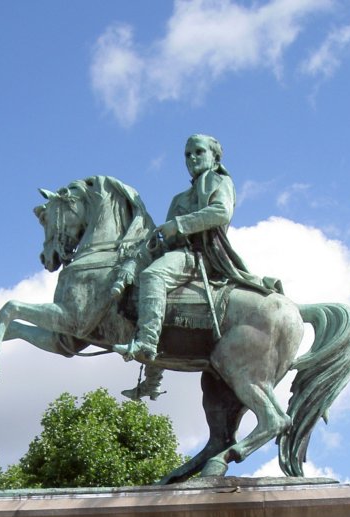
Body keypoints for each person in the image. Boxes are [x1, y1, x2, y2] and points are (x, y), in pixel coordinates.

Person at [112, 134, 281, 400]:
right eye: (187, 154)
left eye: (198, 152)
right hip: (179, 252)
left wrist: (178, 225)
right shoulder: (180, 197)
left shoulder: (219, 181)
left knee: (153, 276)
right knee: (144, 295)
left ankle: (146, 343)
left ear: (214, 157)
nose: (192, 158)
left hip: (200, 256)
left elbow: (220, 212)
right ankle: (152, 380)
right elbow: (168, 238)